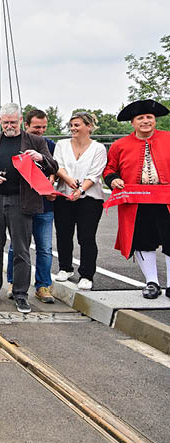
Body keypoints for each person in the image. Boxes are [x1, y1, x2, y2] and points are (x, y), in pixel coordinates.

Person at [0, 103, 58, 313]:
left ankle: (21, 293)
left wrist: (40, 157)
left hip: (21, 202)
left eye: (13, 122)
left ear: (21, 121)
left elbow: (53, 165)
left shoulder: (36, 141)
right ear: (0, 122)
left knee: (21, 249)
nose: (9, 126)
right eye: (5, 122)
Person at [103, 99, 170, 299]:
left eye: (149, 117)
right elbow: (109, 169)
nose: (146, 121)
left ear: (155, 120)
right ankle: (152, 282)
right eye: (140, 118)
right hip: (137, 201)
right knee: (142, 241)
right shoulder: (119, 145)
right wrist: (113, 180)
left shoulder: (168, 139)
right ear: (133, 123)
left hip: (166, 200)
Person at [53, 111, 107, 291]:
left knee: (86, 237)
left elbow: (95, 173)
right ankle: (65, 268)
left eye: (77, 125)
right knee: (63, 234)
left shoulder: (98, 148)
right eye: (71, 125)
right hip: (64, 196)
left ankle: (86, 274)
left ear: (89, 127)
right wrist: (69, 181)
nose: (73, 128)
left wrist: (81, 189)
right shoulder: (61, 145)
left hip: (90, 199)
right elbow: (58, 166)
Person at [7, 109, 57, 303]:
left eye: (44, 127)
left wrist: (52, 178)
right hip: (24, 203)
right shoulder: (17, 143)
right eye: (37, 127)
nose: (40, 131)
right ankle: (13, 282)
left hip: (45, 204)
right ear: (26, 125)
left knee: (44, 247)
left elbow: (56, 167)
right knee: (18, 246)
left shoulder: (50, 145)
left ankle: (43, 286)